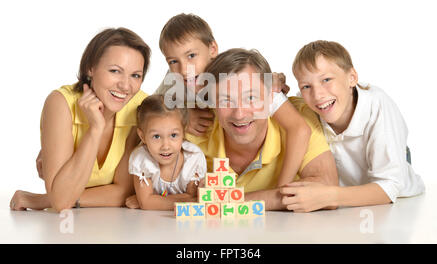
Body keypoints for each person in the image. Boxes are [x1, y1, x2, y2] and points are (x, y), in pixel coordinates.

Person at [155, 13, 311, 188]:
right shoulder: (175, 79)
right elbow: (150, 108)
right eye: (173, 61)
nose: (184, 69)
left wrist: (283, 189)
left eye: (191, 55)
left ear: (212, 49)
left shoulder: (237, 77)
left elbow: (298, 128)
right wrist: (182, 115)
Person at [9, 28, 151, 212]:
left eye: (135, 75)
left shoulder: (139, 107)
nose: (125, 85)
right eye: (115, 71)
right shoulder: (61, 104)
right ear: (90, 68)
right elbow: (61, 202)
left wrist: (45, 200)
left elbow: (123, 191)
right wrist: (95, 129)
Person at [185, 48, 339, 212]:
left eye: (251, 98)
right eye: (225, 100)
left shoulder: (300, 117)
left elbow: (328, 194)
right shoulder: (193, 131)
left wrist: (226, 200)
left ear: (271, 97)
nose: (239, 114)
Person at [283, 40, 425, 211]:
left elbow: (389, 188)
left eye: (326, 79)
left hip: (397, 197)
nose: (318, 94)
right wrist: (272, 84)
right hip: (350, 188)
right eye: (306, 86)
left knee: (390, 160)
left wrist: (328, 196)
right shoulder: (310, 105)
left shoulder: (377, 105)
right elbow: (279, 104)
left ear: (352, 78)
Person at [126, 94, 206, 210]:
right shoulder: (141, 159)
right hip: (152, 225)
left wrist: (153, 200)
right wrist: (190, 200)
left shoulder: (193, 158)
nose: (165, 146)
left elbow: (147, 202)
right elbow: (147, 204)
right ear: (142, 136)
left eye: (173, 135)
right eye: (156, 136)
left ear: (183, 133)